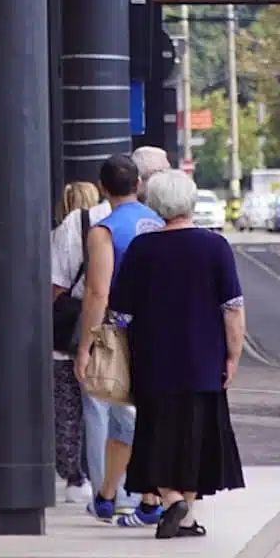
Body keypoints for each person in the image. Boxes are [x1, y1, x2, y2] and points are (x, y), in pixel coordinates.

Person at [107, 169, 247, 540]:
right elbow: (232, 308)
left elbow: (120, 313)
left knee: (156, 434)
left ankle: (173, 502)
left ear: (154, 204)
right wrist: (232, 356)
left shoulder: (143, 248)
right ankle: (184, 513)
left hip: (154, 361)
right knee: (197, 438)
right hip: (205, 361)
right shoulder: (215, 246)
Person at [74, 153, 166, 526]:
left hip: (123, 333)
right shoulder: (161, 223)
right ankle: (114, 495)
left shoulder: (104, 231)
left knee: (123, 415)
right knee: (143, 416)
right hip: (163, 330)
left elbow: (98, 292)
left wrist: (86, 345)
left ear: (102, 188)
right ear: (139, 184)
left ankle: (139, 498)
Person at [47, 180, 100, 503]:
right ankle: (104, 476)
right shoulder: (106, 228)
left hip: (64, 332)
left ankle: (75, 476)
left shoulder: (61, 233)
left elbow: (54, 286)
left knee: (67, 407)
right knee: (103, 404)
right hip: (100, 330)